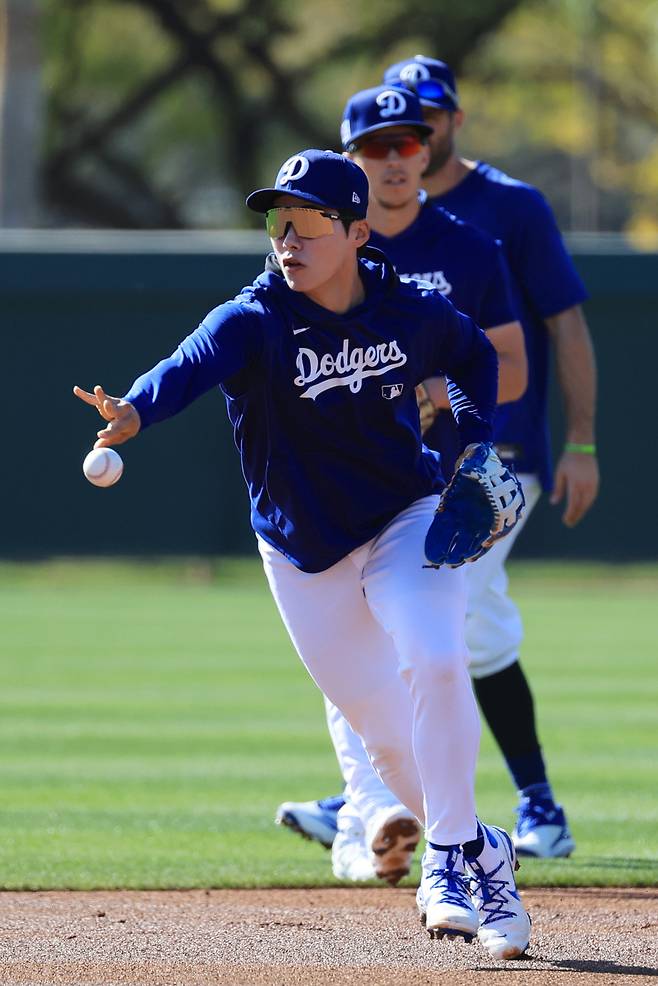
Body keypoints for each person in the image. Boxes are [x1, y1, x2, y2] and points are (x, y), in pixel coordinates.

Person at [74, 148, 530, 959]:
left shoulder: (406, 310)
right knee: (388, 741)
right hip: (300, 552)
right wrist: (135, 411)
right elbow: (186, 369)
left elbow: (474, 357)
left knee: (433, 655)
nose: (287, 236)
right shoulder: (254, 319)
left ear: (356, 232)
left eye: (308, 220)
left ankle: (451, 863)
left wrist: (472, 445)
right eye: (278, 219)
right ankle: (483, 848)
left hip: (404, 516)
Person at [278, 57, 599, 863]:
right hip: (375, 477)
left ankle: (445, 802)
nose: (396, 154)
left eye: (412, 134)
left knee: (447, 633)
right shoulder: (321, 243)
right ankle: (385, 795)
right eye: (376, 142)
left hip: (481, 461)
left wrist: (582, 441)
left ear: (438, 134)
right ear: (351, 156)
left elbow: (542, 340)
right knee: (436, 633)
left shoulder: (491, 222)